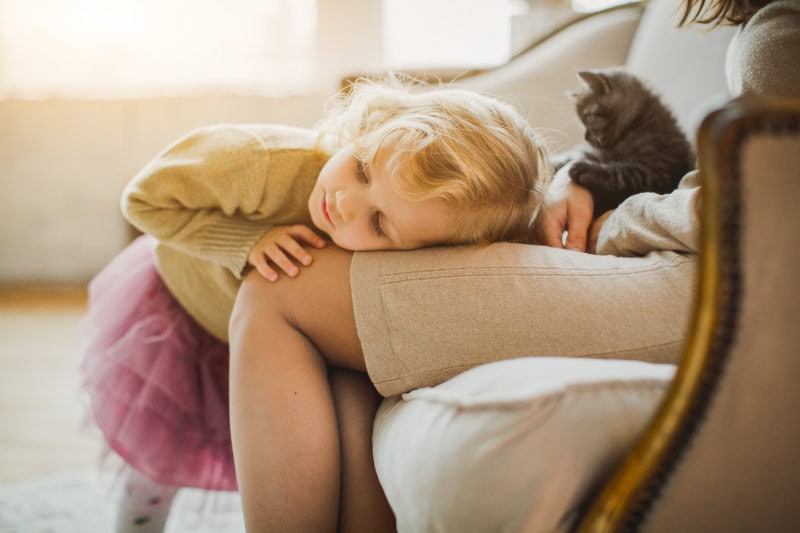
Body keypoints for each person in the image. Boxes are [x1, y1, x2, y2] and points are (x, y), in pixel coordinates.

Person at [227, 0, 800, 531]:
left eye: (380, 222)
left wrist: (616, 224)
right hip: (712, 267)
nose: (350, 202)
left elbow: (758, 204)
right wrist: (580, 176)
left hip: (729, 286)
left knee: (280, 289)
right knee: (339, 350)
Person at [79, 76, 551, 532]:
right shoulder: (261, 161)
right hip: (182, 302)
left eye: (380, 223)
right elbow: (142, 198)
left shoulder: (425, 231)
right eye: (363, 170)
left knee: (253, 439)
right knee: (156, 461)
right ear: (374, 125)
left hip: (249, 329)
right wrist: (246, 241)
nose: (345, 203)